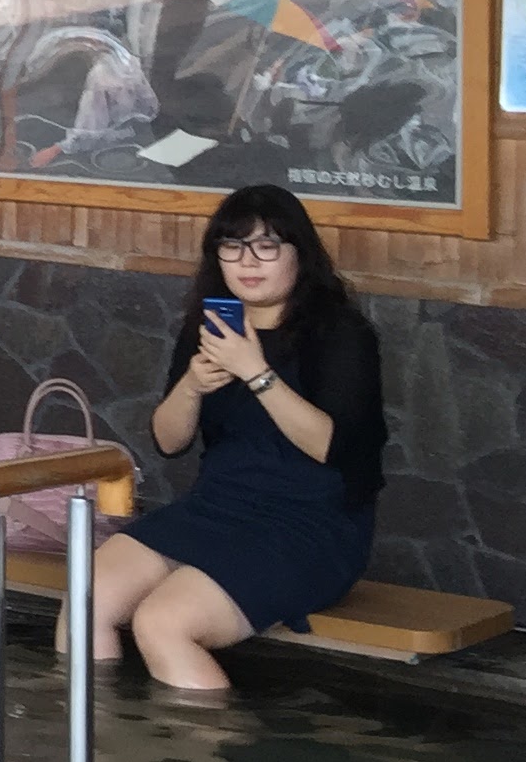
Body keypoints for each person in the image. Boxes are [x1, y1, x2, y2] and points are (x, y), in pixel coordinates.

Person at [91, 184, 387, 692]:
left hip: (311, 524)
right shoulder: (209, 328)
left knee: (162, 622)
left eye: (266, 246)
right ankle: (92, 729)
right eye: (232, 246)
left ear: (300, 254)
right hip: (218, 506)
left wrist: (256, 372)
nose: (248, 261)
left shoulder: (341, 333)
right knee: (87, 596)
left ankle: (207, 742)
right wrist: (192, 384)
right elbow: (168, 442)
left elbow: (331, 447)